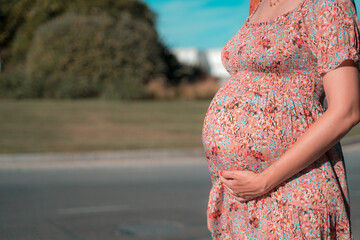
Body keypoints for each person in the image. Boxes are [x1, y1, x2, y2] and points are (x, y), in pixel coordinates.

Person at [201, 0, 360, 238]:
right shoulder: (259, 4)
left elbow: (347, 110)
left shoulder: (328, 4)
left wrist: (264, 181)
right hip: (240, 200)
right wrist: (221, 190)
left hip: (292, 191)